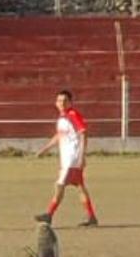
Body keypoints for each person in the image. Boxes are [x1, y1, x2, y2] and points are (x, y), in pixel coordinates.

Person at [34, 90, 98, 227]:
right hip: (68, 159)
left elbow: (83, 133)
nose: (61, 103)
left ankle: (49, 215)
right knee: (80, 186)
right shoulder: (62, 118)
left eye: (64, 101)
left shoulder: (72, 115)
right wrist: (44, 149)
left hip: (72, 159)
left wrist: (81, 156)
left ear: (70, 102)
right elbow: (59, 136)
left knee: (59, 185)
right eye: (59, 101)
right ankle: (91, 216)